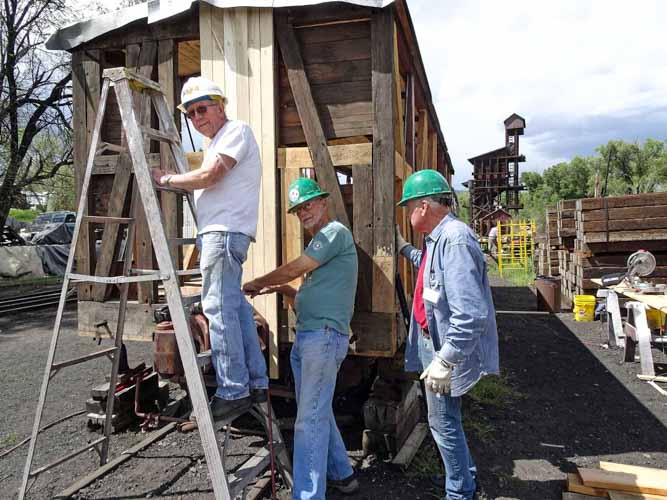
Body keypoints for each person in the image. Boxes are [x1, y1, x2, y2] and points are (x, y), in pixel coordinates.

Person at [151, 76, 267, 419]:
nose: (197, 117)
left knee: (217, 308)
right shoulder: (217, 141)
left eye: (203, 108)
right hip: (225, 233)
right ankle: (256, 382)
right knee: (237, 310)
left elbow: (212, 175)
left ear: (221, 106)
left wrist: (167, 180)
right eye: (190, 113)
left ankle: (233, 389)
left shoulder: (235, 131)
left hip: (224, 233)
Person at [242, 178, 359, 499]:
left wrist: (257, 281)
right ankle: (343, 475)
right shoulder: (322, 246)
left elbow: (296, 267)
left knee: (308, 422)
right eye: (297, 210)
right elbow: (305, 297)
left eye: (308, 205)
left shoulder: (334, 233)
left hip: (322, 339)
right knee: (319, 412)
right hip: (310, 336)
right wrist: (279, 289)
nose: (302, 212)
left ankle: (308, 495)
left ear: (323, 202)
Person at [395, 169, 499, 500]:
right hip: (434, 344)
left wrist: (445, 360)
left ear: (424, 206)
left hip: (444, 350)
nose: (408, 213)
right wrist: (403, 249)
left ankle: (460, 494)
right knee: (445, 421)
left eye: (409, 206)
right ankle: (465, 481)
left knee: (443, 425)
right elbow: (429, 268)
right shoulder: (438, 239)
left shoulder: (454, 240)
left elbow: (470, 314)